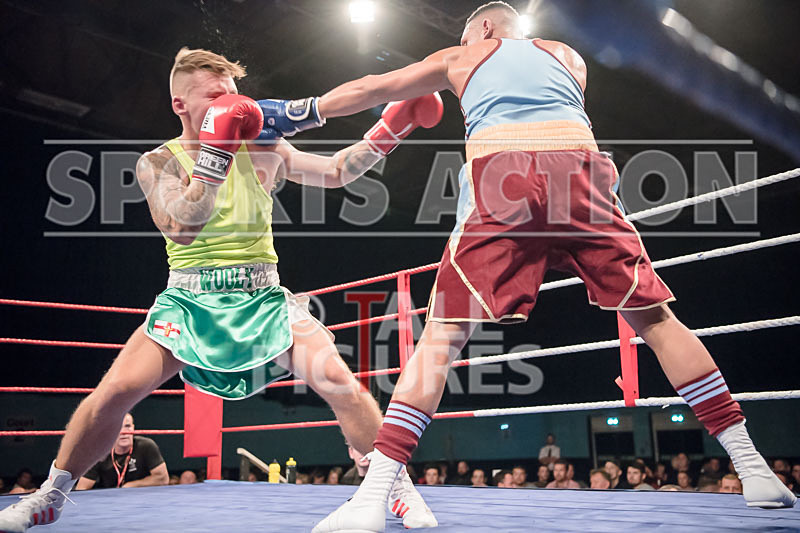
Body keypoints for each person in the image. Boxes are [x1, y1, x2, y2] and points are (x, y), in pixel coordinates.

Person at [295, 3, 794, 529]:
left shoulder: (464, 56)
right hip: (584, 173)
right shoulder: (569, 57)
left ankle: (374, 498)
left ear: (484, 28)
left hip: (504, 174)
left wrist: (298, 110)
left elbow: (374, 85)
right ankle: (753, 468)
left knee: (440, 336)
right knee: (656, 320)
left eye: (469, 38)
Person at [0, 47, 437, 532]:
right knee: (113, 394)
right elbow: (181, 227)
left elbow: (335, 172)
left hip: (263, 296)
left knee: (341, 384)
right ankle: (49, 496)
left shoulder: (265, 149)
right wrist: (215, 155)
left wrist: (393, 129)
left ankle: (395, 488)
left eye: (233, 95)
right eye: (215, 96)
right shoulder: (159, 162)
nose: (233, 105)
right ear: (180, 105)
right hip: (189, 302)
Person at [75, 413, 168, 490]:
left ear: (133, 428)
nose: (124, 432)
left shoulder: (146, 446)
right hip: (108, 503)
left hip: (142, 499)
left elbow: (163, 479)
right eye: (118, 427)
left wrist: (131, 486)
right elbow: (82, 488)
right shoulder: (99, 452)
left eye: (127, 426)